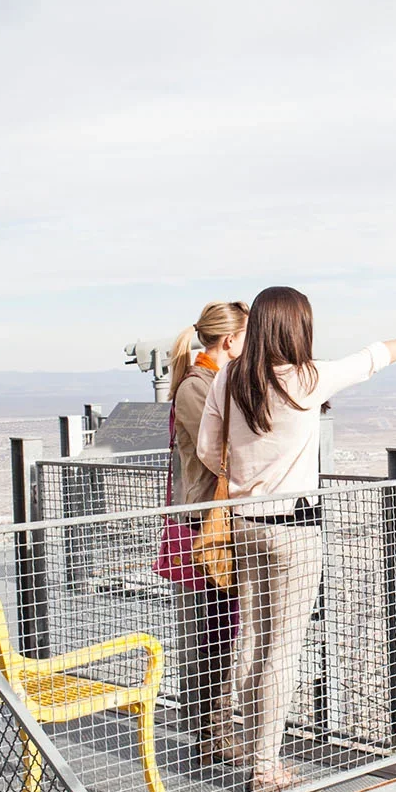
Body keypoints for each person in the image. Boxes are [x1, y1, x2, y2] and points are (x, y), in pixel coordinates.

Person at [197, 286, 396, 792]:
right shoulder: (306, 379)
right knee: (282, 651)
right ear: (297, 327)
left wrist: (246, 476)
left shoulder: (228, 378)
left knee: (252, 637)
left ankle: (234, 736)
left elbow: (205, 449)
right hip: (294, 529)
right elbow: (372, 358)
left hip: (244, 522)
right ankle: (264, 767)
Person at [167, 301, 248, 759]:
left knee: (219, 628)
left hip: (216, 521)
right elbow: (215, 453)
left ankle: (215, 731)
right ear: (231, 340)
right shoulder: (198, 388)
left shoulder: (209, 383)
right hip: (204, 523)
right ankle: (211, 735)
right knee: (210, 631)